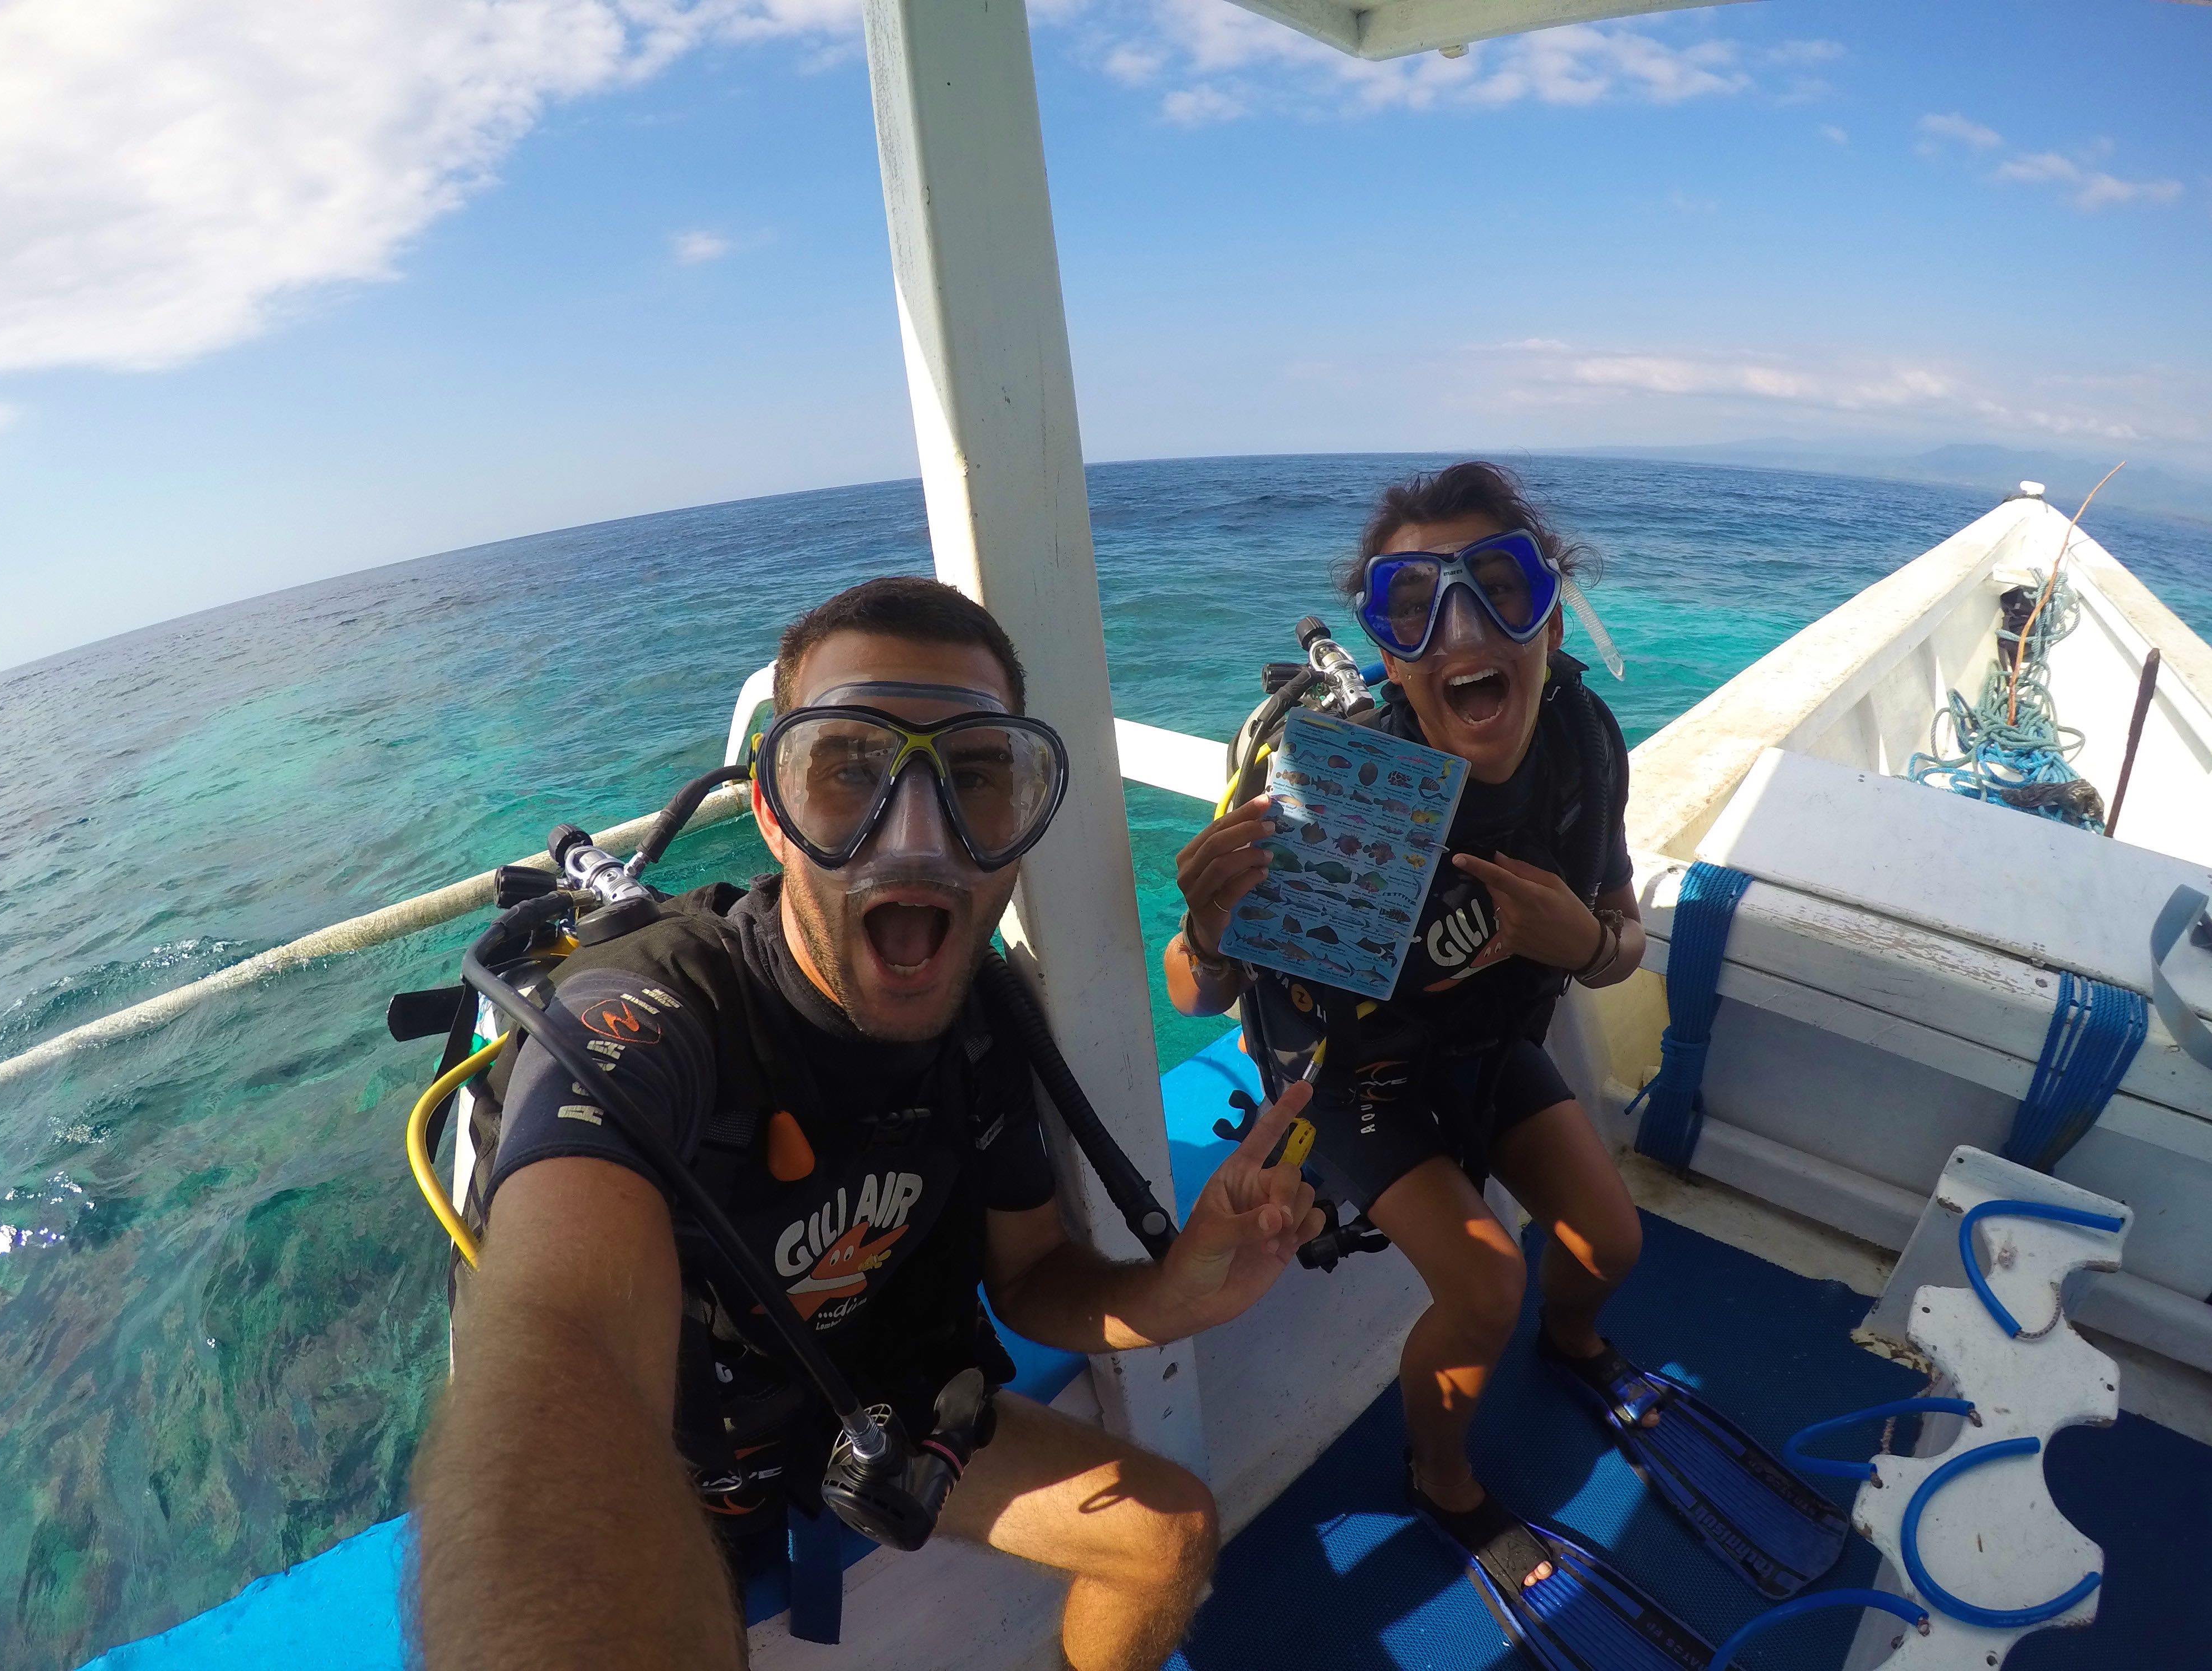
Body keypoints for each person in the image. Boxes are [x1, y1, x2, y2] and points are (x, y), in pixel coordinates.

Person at [413, 575, 1324, 1671]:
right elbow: (567, 1336)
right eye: (850, 769)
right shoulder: (654, 1013)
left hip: (873, 1396)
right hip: (681, 1440)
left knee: (1167, 1537)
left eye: (977, 776)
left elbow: (1033, 1277)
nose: (917, 838)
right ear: (771, 811)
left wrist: (1176, 1296)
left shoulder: (983, 1024)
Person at [1164, 462, 1681, 1636]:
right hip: (1358, 1075)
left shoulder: (1581, 741)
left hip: (1488, 1042)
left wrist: (1584, 942)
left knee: (1611, 1239)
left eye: (1502, 587)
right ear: (1392, 661)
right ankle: (1437, 1475)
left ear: (1551, 621)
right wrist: (1203, 925)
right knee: (1485, 1279)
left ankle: (1574, 1345)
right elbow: (1195, 993)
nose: (1462, 630)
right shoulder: (1345, 792)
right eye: (1411, 608)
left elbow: (1617, 933)